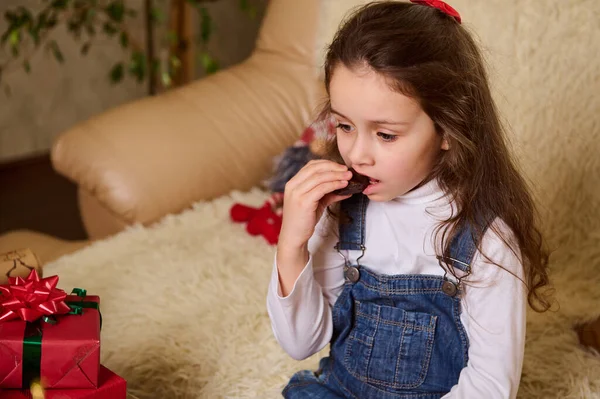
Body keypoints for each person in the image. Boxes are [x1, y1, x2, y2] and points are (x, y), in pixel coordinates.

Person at [266, 1, 552, 398]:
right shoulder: (342, 213)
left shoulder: (485, 241)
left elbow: (489, 385)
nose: (358, 154)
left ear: (449, 128)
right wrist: (292, 244)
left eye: (386, 134)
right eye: (345, 126)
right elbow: (301, 344)